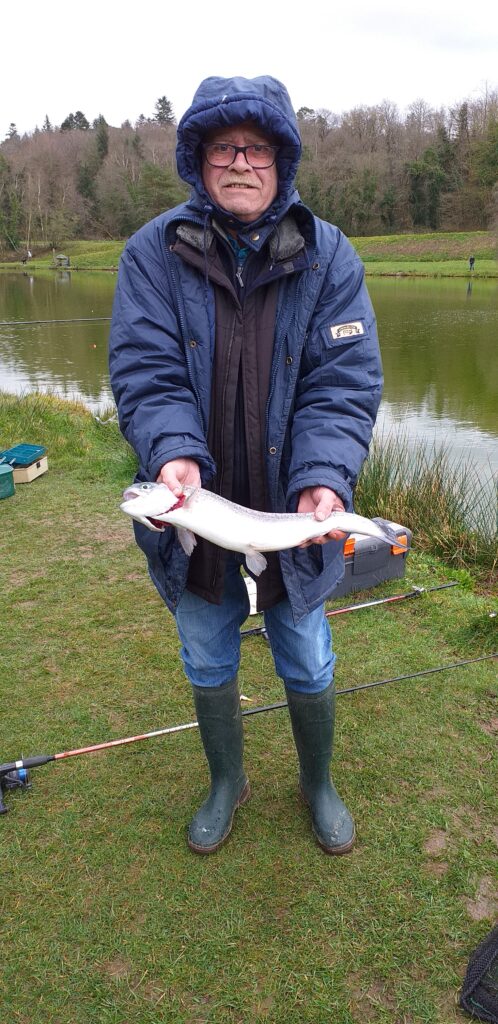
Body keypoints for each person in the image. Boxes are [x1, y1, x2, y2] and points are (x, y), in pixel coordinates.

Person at [109, 76, 383, 856]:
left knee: (306, 649)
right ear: (198, 158)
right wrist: (171, 456)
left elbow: (345, 383)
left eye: (255, 147)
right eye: (223, 147)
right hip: (193, 509)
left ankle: (317, 781)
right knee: (205, 650)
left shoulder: (330, 255)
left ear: (281, 160)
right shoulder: (150, 254)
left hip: (290, 515)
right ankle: (227, 780)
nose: (239, 162)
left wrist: (325, 475)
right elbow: (145, 372)